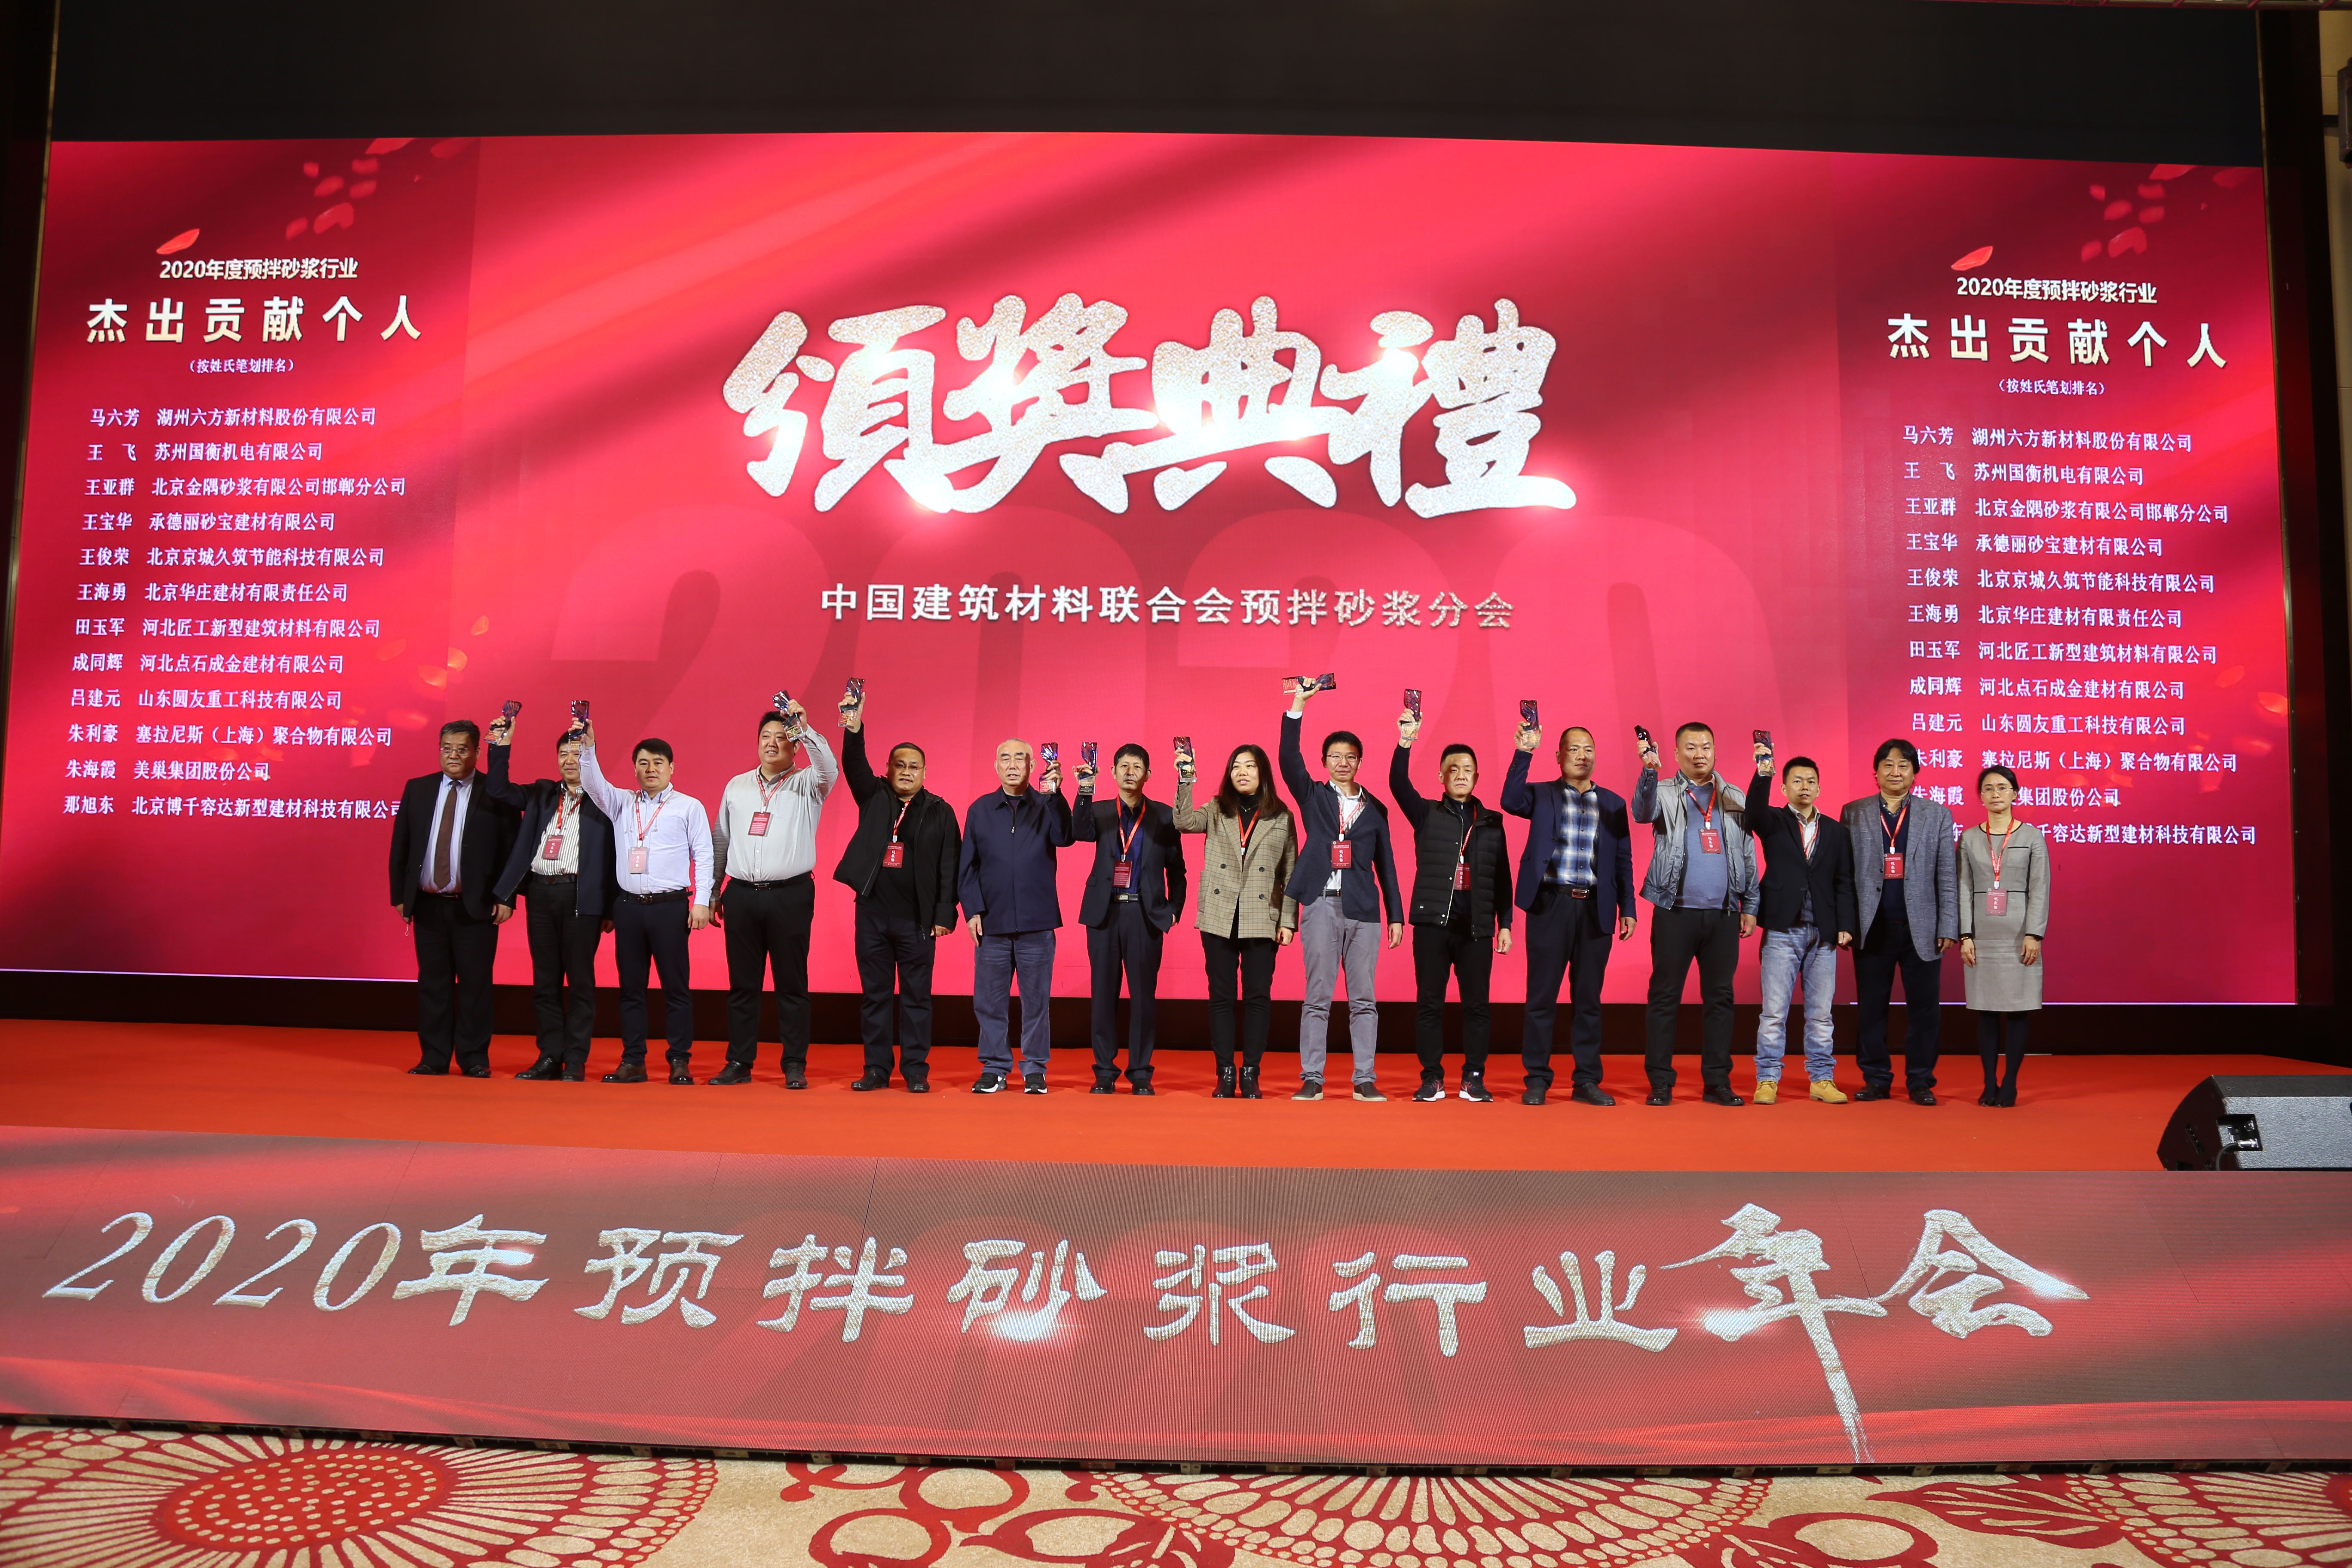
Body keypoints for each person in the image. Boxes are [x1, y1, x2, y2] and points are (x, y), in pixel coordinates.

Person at [1279, 680, 1404, 1102]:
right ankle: (1312, 1078)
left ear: (1360, 762)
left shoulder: (1376, 809)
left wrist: (1396, 915)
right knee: (1317, 997)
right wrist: (1298, 705)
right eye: (1335, 757)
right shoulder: (1313, 796)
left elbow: (1387, 865)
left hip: (1364, 910)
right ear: (1325, 762)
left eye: (1350, 757)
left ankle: (1364, 1079)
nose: (1343, 763)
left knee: (1364, 999)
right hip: (1320, 904)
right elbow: (1288, 759)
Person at [1501, 722, 1636, 1106]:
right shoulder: (1541, 795)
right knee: (1541, 997)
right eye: (1574, 749)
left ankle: (1587, 1081)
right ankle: (1537, 1079)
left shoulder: (1613, 803)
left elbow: (1623, 860)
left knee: (1589, 1000)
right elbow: (1510, 800)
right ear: (1559, 756)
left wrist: (1627, 907)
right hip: (1550, 904)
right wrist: (1524, 752)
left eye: (1589, 749)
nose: (1582, 756)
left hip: (1596, 908)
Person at [834, 686, 960, 1094]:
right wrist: (854, 725)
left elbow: (950, 868)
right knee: (875, 996)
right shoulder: (874, 796)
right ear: (888, 769)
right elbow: (853, 763)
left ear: (925, 773)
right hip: (872, 916)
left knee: (917, 998)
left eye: (914, 767)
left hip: (918, 923)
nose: (907, 772)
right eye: (900, 765)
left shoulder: (941, 812)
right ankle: (876, 1069)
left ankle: (916, 1071)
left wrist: (944, 916)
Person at [575, 721, 714, 1085]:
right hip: (629, 908)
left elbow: (704, 855)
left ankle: (679, 1060)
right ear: (634, 768)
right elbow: (593, 784)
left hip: (671, 908)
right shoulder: (622, 802)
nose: (650, 769)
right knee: (631, 988)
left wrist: (702, 901)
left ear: (671, 768)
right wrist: (588, 748)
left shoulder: (689, 807)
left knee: (676, 988)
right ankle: (633, 1060)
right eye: (643, 763)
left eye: (657, 762)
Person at [708, 701, 837, 1088]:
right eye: (766, 736)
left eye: (781, 737)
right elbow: (721, 840)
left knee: (791, 984)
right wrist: (714, 890)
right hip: (741, 895)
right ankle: (739, 1062)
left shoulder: (809, 783)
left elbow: (829, 766)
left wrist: (803, 728)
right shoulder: (737, 786)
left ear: (794, 746)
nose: (772, 743)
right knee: (742, 985)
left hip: (790, 895)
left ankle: (794, 1063)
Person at [484, 713, 618, 1082]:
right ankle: (548, 1056)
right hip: (541, 893)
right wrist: (501, 745)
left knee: (580, 982)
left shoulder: (605, 800)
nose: (569, 760)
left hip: (581, 897)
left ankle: (575, 1060)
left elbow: (616, 857)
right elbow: (498, 790)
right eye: (563, 754)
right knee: (545, 981)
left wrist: (610, 908)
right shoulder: (543, 793)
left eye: (576, 753)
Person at [1632, 722, 1758, 1106]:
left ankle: (1717, 1081)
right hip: (1675, 912)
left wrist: (1750, 905)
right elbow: (1641, 813)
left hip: (1724, 914)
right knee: (1664, 997)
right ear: (1676, 753)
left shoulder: (1734, 795)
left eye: (1706, 746)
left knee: (1720, 1000)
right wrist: (1648, 772)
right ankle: (1660, 1082)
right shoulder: (1665, 791)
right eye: (1691, 747)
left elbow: (1747, 852)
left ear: (1715, 751)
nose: (1699, 754)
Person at [1390, 714, 1513, 1103]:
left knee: (1478, 1006)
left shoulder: (1492, 822)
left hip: (1476, 927)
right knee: (1430, 1004)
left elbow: (1503, 878)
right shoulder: (1426, 813)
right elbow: (1397, 784)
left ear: (1477, 777)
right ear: (1442, 777)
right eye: (1453, 770)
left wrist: (1505, 924)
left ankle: (1474, 1077)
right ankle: (1432, 1078)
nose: (1461, 775)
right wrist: (1405, 742)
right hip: (1433, 925)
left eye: (1468, 770)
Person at [388, 720, 517, 1077]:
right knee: (433, 984)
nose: (454, 756)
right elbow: (401, 846)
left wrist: (506, 897)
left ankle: (474, 1058)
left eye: (462, 749)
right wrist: (400, 896)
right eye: (447, 749)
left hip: (475, 907)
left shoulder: (495, 792)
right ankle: (434, 1057)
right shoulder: (418, 789)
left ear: (476, 752)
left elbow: (511, 851)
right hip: (428, 904)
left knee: (476, 985)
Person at [1171, 741, 1298, 1099]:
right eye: (1236, 766)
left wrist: (1288, 920)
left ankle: (1251, 1072)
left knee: (1258, 997)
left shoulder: (1281, 816)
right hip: (1220, 914)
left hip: (1262, 916)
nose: (1242, 772)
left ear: (1263, 773)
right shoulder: (1216, 809)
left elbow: (1291, 872)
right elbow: (1183, 822)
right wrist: (1186, 779)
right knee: (1221, 997)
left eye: (1250, 766)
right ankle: (1225, 1071)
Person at [1841, 738, 1959, 1105]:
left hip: (1922, 928)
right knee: (1871, 1009)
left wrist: (1948, 925)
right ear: (1876, 772)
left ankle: (1920, 1080)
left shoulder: (1937, 815)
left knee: (1924, 1011)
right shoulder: (1854, 812)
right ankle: (1876, 1078)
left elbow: (1947, 875)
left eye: (1904, 765)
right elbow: (1845, 875)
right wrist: (1846, 923)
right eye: (1888, 765)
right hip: (1872, 926)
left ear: (1915, 773)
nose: (1895, 772)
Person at [1742, 739, 1857, 1105]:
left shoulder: (1836, 831)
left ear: (1819, 788)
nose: (1804, 787)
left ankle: (1822, 1079)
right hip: (1782, 929)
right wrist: (1763, 772)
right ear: (1785, 787)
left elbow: (1844, 881)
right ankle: (1767, 1079)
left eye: (1810, 782)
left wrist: (1846, 924)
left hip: (1824, 933)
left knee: (1821, 1015)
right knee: (1774, 1013)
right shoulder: (1774, 821)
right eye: (1797, 781)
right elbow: (1752, 811)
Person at [958, 737, 1073, 1094]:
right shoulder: (980, 810)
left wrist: (1056, 795)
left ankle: (1035, 1068)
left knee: (1036, 1002)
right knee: (989, 1001)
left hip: (1038, 923)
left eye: (1020, 759)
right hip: (991, 923)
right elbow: (967, 867)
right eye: (1005, 758)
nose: (1012, 765)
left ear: (1032, 767)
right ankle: (994, 1068)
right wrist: (973, 910)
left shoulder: (1046, 805)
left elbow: (1064, 837)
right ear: (996, 766)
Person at [1073, 744, 1188, 1094]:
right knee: (1102, 995)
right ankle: (1105, 1072)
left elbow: (1177, 870)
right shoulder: (1099, 811)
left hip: (1145, 914)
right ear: (1112, 773)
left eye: (1137, 766)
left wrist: (1174, 910)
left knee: (1143, 997)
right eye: (1123, 766)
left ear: (1148, 775)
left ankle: (1140, 1073)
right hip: (1104, 914)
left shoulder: (1164, 816)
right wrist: (1084, 790)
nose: (1129, 772)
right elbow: (1078, 832)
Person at [1957, 764, 2049, 1107]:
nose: (1995, 794)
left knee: (2019, 1010)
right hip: (1981, 936)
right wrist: (1965, 935)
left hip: (2019, 935)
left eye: (2002, 788)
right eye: (1988, 788)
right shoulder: (1969, 838)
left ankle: (2010, 1082)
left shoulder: (2032, 837)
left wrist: (2034, 934)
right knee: (1986, 1011)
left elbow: (2040, 888)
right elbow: (1963, 889)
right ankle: (1988, 1083)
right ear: (1980, 796)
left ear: (2015, 793)